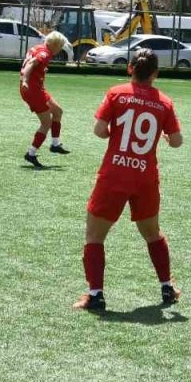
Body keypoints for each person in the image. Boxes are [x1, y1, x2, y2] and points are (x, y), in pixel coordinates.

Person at [74, 49, 183, 313]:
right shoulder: (164, 103)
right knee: (152, 234)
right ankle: (167, 286)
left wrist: (115, 135)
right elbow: (177, 141)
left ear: (130, 69)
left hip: (114, 175)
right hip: (145, 177)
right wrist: (167, 138)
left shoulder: (116, 93)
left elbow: (100, 130)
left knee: (95, 236)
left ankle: (96, 295)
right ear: (155, 74)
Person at [20, 31, 70, 170]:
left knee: (58, 111)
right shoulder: (45, 53)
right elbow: (31, 63)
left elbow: (32, 63)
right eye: (60, 47)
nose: (59, 50)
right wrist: (25, 80)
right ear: (54, 45)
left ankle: (55, 144)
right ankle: (31, 153)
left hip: (38, 88)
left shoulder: (38, 47)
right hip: (33, 90)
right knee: (46, 123)